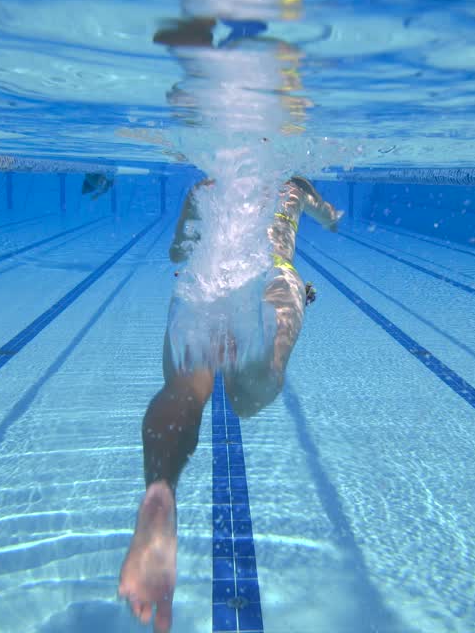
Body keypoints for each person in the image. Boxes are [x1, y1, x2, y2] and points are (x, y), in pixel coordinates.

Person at [118, 175, 342, 633]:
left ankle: (161, 486)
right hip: (274, 275)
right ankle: (259, 352)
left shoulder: (206, 185)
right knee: (252, 390)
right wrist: (326, 216)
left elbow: (179, 252)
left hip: (205, 282)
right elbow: (330, 218)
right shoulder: (296, 185)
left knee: (187, 383)